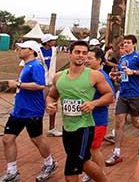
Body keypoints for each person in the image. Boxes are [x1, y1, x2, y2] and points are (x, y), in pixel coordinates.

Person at [46, 40, 114, 182]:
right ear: (70, 54)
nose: (81, 56)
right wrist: (50, 105)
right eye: (77, 52)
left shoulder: (94, 75)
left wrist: (94, 103)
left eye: (84, 53)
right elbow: (52, 96)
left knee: (71, 171)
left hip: (84, 127)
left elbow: (109, 96)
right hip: (68, 127)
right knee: (84, 162)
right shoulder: (59, 77)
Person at [1, 41, 57, 182]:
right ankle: (12, 171)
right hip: (19, 110)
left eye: (22, 48)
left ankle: (49, 163)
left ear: (31, 51)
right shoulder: (27, 66)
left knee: (36, 139)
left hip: (32, 111)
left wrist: (18, 84)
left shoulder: (36, 65)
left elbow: (40, 85)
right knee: (7, 139)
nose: (18, 50)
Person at [106, 35, 139, 166]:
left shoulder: (138, 57)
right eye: (124, 43)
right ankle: (117, 152)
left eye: (128, 43)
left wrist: (134, 72)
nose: (126, 45)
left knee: (137, 123)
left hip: (136, 94)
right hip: (124, 94)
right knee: (119, 122)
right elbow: (123, 74)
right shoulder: (122, 59)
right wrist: (116, 76)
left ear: (134, 44)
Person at [80, 47, 116, 182]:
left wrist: (93, 103)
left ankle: (100, 175)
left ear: (99, 60)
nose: (86, 60)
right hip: (86, 119)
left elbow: (110, 98)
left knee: (94, 149)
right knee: (89, 149)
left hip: (98, 120)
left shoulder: (102, 76)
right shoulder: (88, 74)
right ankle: (93, 172)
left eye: (90, 58)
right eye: (86, 57)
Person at [40, 34, 63, 137]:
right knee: (40, 106)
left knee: (53, 104)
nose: (54, 41)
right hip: (41, 82)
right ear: (47, 42)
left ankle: (52, 128)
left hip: (51, 81)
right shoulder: (38, 51)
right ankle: (37, 128)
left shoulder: (54, 50)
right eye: (52, 40)